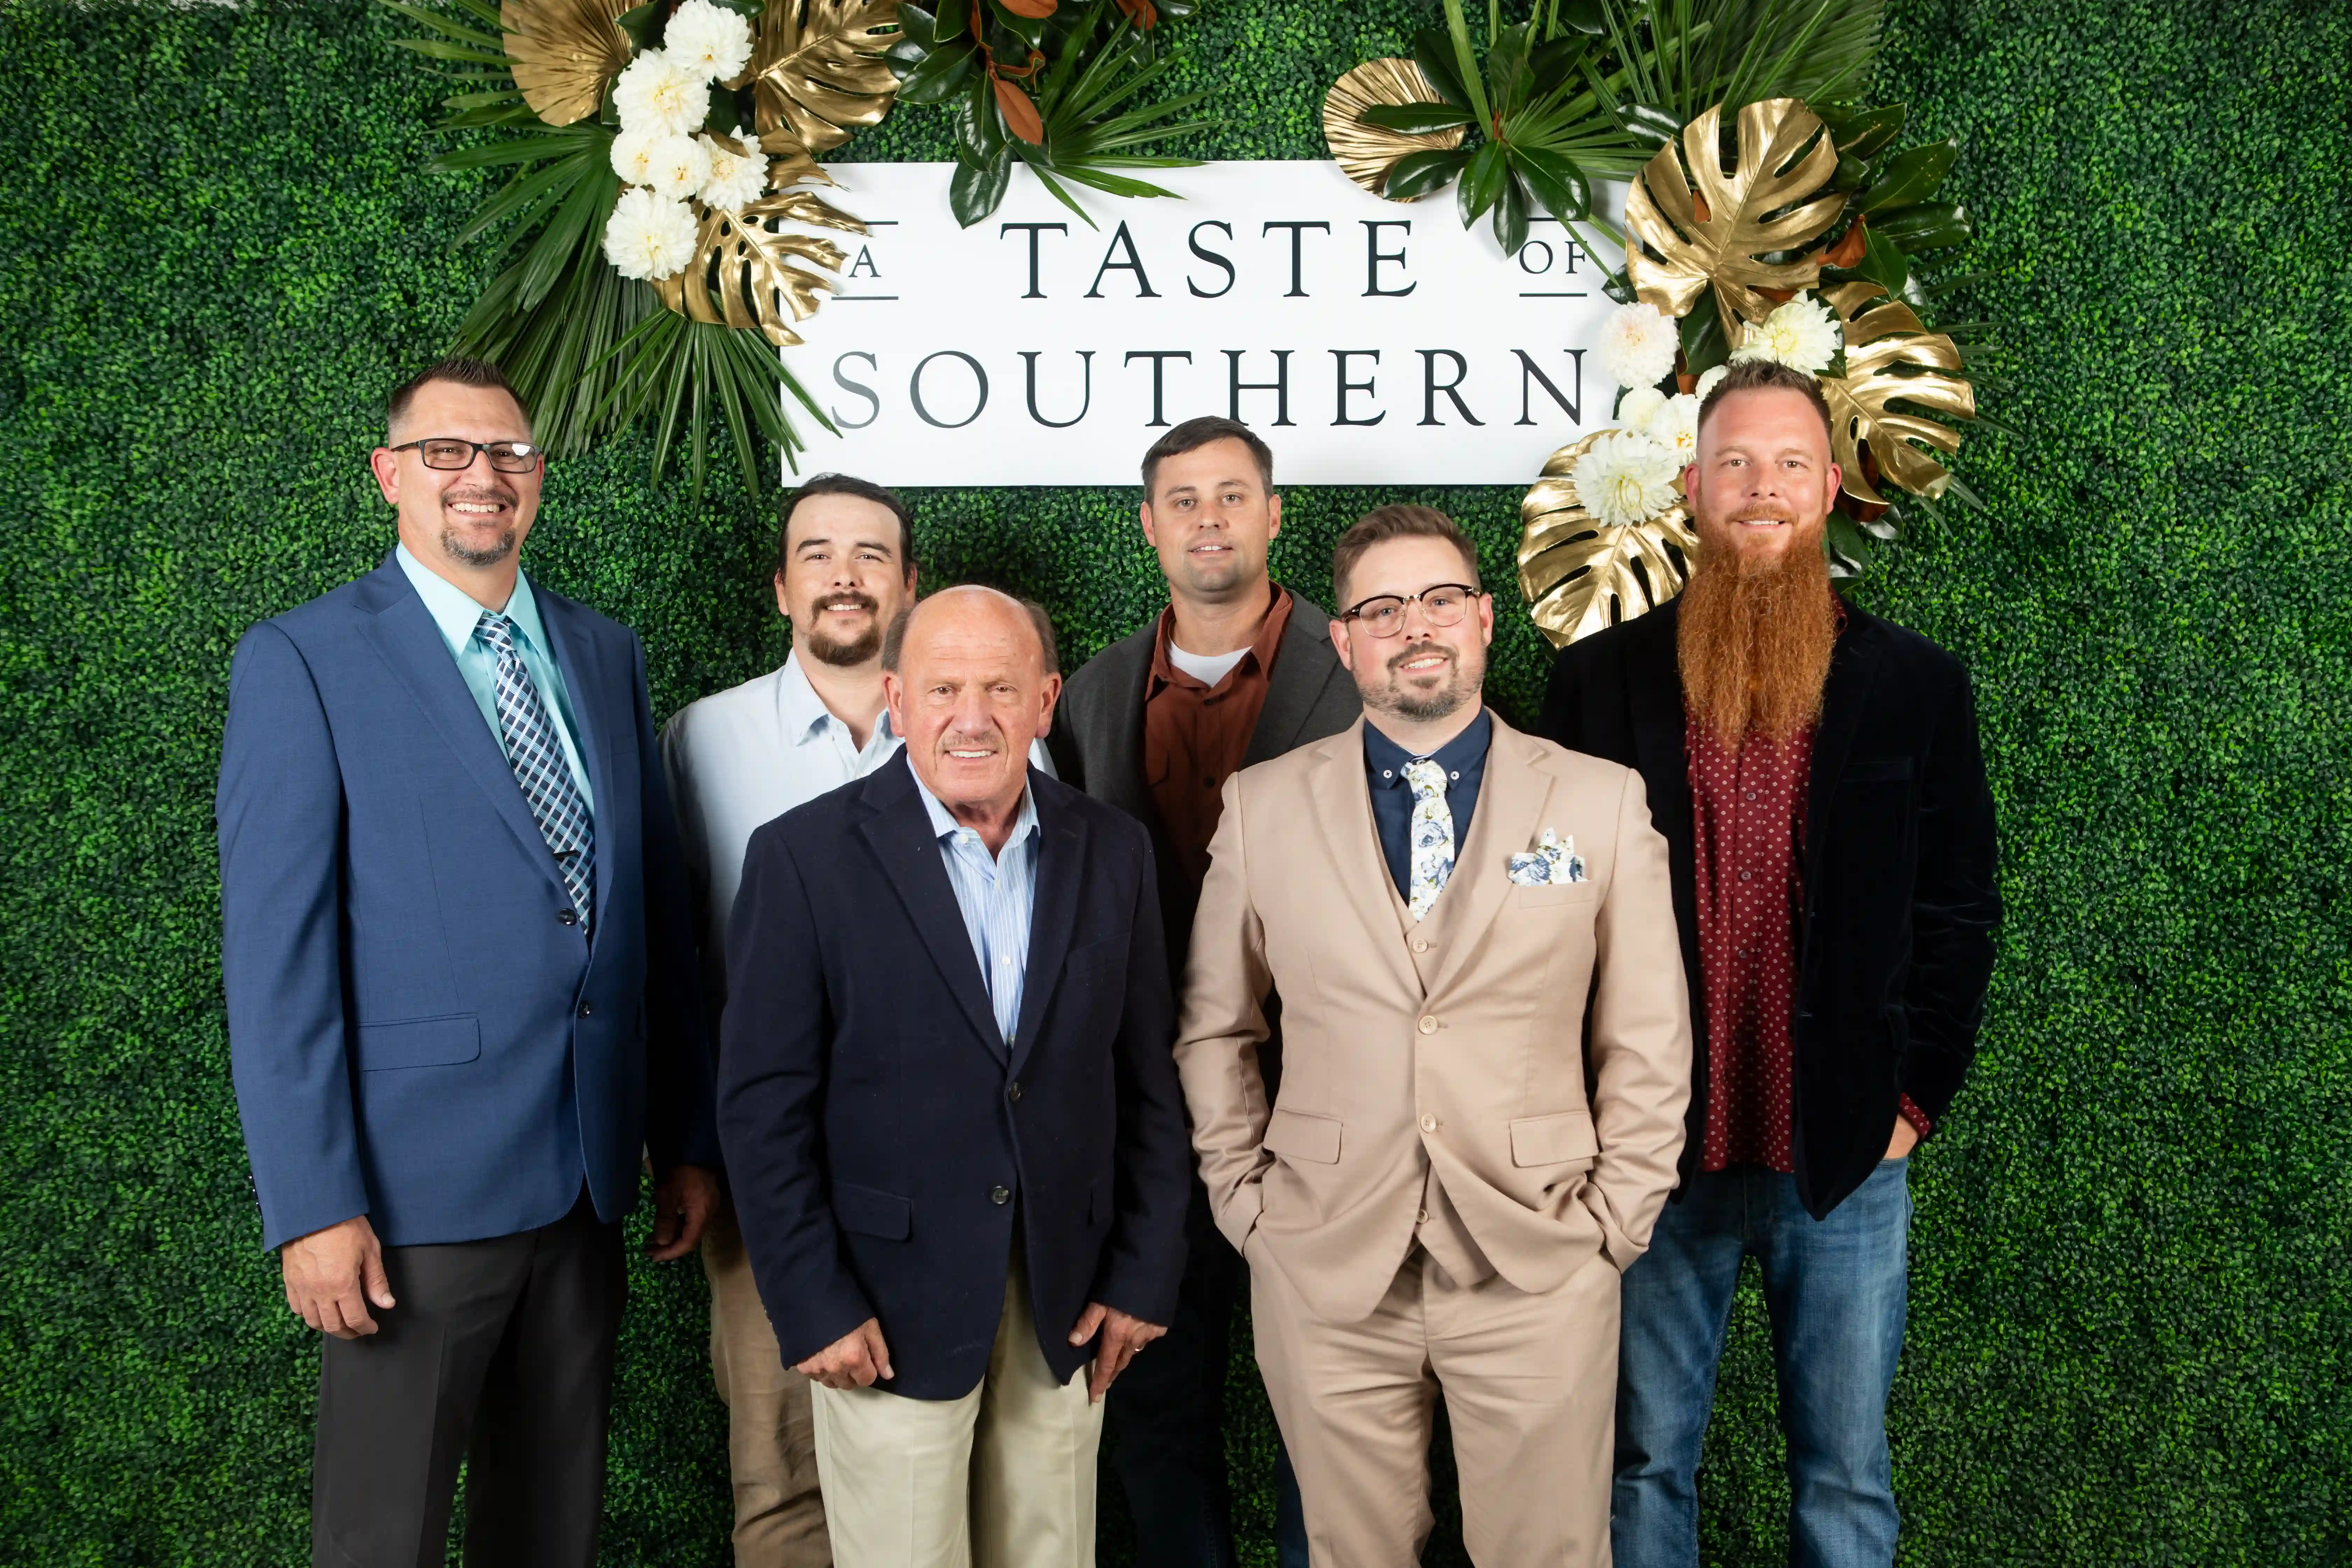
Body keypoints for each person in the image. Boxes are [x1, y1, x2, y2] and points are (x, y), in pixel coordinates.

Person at [216, 355, 719, 1567]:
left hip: (589, 1180)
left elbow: (656, 918)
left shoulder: (604, 653)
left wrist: (683, 1136)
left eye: (509, 452)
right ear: (391, 475)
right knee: (381, 1535)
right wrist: (314, 1203)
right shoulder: (305, 659)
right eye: (447, 452)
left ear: (538, 478)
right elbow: (276, 962)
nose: (481, 477)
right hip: (408, 1198)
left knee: (550, 1533)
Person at [1539, 358, 2001, 1568]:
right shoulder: (1594, 684)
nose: (1762, 488)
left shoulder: (1917, 688)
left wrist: (1914, 1104)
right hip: (1653, 1155)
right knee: (1641, 1470)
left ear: (1831, 489)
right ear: (1690, 487)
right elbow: (1542, 918)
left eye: (1791, 464)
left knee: (1843, 1479)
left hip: (1844, 1156)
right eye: (1735, 462)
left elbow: (1959, 912)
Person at [1173, 505, 1693, 1566]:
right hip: (1321, 1259)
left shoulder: (1599, 802)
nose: (1419, 625)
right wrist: (1247, 1205)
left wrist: (1615, 1226)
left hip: (1542, 1258)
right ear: (1345, 640)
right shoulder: (1263, 807)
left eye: (1443, 599)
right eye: (1384, 606)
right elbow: (1216, 1026)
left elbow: (1647, 1035)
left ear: (1486, 618)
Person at [718, 586, 1193, 1568]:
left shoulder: (1113, 852)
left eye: (1000, 688)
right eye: (942, 689)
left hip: (1067, 1290)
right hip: (883, 1305)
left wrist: (1145, 1271)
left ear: (1047, 700)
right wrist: (812, 1302)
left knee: (1050, 1552)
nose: (971, 717)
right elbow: (762, 1111)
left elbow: (1150, 1081)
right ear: (896, 699)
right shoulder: (801, 859)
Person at [662, 474, 1048, 1567]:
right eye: (818, 555)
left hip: (954, 1187)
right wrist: (690, 1152)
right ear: (782, 586)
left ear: (910, 585)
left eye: (872, 555)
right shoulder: (701, 739)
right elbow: (677, 964)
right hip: (772, 1177)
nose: (845, 576)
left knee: (972, 1471)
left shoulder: (991, 735)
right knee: (784, 1468)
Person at [1048, 415, 1352, 1567]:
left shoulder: (1358, 663)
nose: (1209, 518)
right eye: (1184, 500)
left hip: (1323, 1108)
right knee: (1154, 1405)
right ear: (1148, 526)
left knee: (1321, 1408)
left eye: (1233, 495)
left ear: (1276, 516)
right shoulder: (1092, 696)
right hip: (1145, 1118)